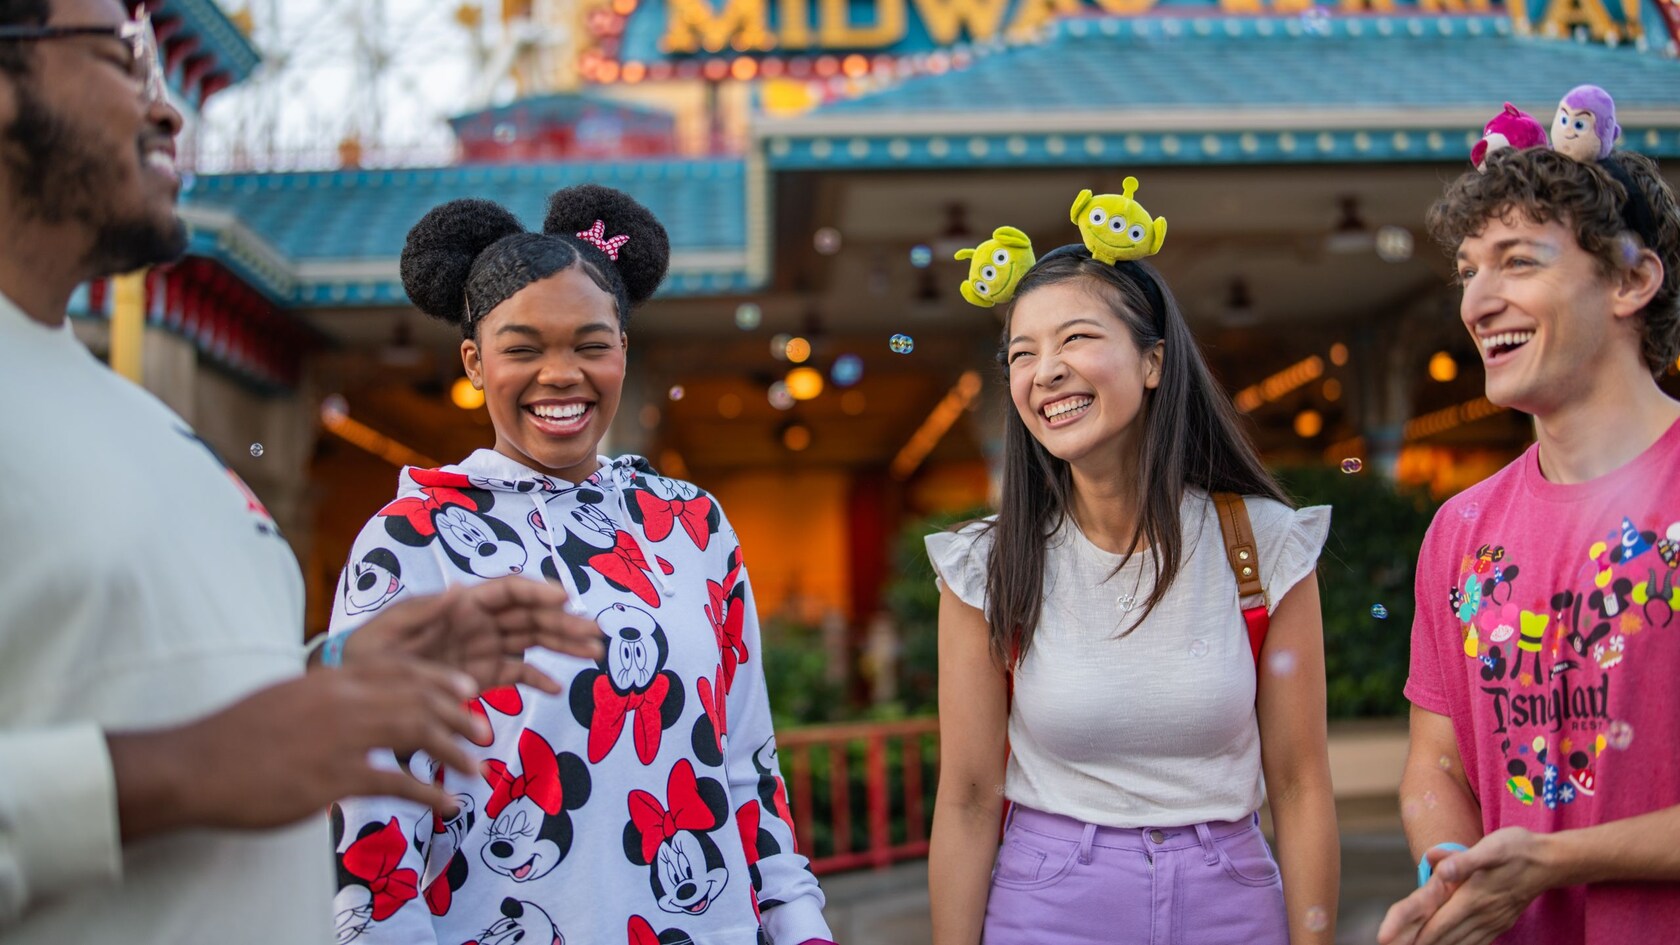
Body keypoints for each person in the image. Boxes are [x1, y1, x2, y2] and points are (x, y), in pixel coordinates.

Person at [0, 1, 605, 941]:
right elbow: (204, 755)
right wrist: (185, 769)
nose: (169, 113)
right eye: (124, 60)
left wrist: (342, 669)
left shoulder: (137, 420)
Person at [324, 184, 836, 945]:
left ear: (623, 350)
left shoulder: (692, 524)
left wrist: (799, 924)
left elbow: (746, 764)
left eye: (590, 344)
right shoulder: (412, 541)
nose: (560, 373)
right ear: (473, 361)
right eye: (523, 348)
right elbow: (371, 806)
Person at [925, 183, 1340, 945]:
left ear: (1152, 362)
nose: (1045, 370)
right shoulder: (986, 565)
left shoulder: (1265, 546)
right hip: (1048, 905)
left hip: (1232, 902)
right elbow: (970, 797)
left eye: (1076, 338)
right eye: (1022, 352)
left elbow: (1301, 784)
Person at [1379, 147, 1680, 945]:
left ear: (1629, 280)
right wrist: (1452, 874)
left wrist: (1548, 860)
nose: (1478, 301)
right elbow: (1435, 764)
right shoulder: (1461, 529)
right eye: (1469, 270)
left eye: (1517, 262)